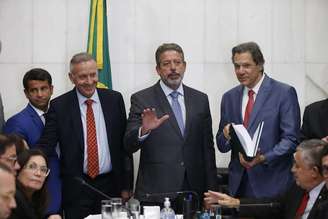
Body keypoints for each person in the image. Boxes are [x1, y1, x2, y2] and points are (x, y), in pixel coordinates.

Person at [37, 52, 133, 218]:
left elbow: (123, 147)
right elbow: (46, 144)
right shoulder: (59, 106)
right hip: (77, 188)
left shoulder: (114, 99)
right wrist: (23, 161)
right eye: (82, 76)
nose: (89, 82)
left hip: (111, 187)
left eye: (93, 75)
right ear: (71, 77)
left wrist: (127, 186)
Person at [124, 43, 218, 210]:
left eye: (177, 62)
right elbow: (128, 144)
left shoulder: (200, 99)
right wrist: (144, 130)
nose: (173, 68)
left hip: (193, 190)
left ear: (185, 66)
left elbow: (207, 150)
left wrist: (212, 193)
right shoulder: (142, 99)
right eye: (166, 64)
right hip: (156, 192)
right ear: (158, 69)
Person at [216, 41, 300, 198]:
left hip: (272, 183)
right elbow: (221, 144)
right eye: (237, 66)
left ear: (260, 65)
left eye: (246, 65)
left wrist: (263, 158)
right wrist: (227, 135)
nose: (240, 71)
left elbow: (291, 139)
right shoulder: (229, 97)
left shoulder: (283, 93)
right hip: (239, 185)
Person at [205, 139, 328, 219]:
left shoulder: (324, 203)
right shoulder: (297, 189)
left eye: (297, 165)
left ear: (314, 172)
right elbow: (273, 205)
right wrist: (235, 202)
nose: (292, 170)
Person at [3, 68, 61, 216]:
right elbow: (15, 167)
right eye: (34, 90)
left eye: (44, 88)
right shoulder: (17, 123)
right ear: (26, 93)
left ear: (52, 89)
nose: (40, 94)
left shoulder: (62, 114)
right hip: (37, 198)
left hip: (66, 192)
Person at [9, 149, 61, 219]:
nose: (38, 174)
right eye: (32, 167)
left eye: (43, 169)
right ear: (18, 170)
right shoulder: (10, 200)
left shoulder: (37, 202)